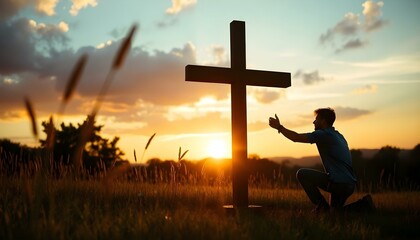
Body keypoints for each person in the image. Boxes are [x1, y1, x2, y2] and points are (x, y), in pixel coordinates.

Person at [268, 108, 374, 213]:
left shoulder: (323, 135)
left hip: (339, 184)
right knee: (334, 214)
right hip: (348, 184)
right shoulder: (338, 135)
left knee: (302, 174)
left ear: (323, 121)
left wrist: (279, 127)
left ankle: (322, 207)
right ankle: (364, 205)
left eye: (316, 119)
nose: (313, 122)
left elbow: (295, 137)